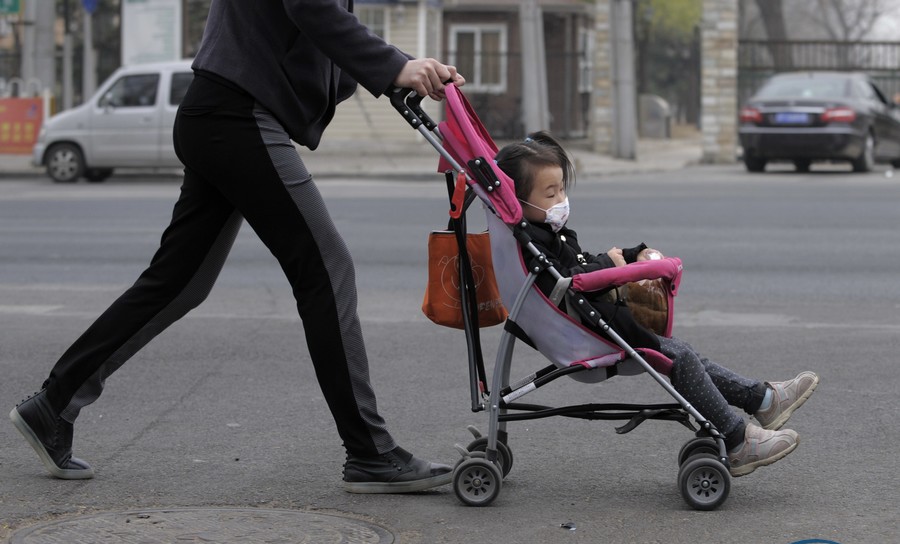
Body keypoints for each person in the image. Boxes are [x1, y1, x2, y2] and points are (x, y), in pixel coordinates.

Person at [9, 1, 465, 493]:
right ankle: (371, 453)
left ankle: (52, 406)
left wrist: (397, 66)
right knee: (326, 272)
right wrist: (395, 65)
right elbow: (311, 8)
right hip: (240, 117)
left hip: (218, 113)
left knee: (179, 284)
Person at [494, 131, 818, 476]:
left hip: (597, 324)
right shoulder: (535, 241)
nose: (561, 198)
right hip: (590, 335)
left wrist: (631, 255)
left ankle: (762, 400)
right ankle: (738, 440)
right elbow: (570, 278)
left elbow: (579, 264)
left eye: (562, 188)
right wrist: (614, 267)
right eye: (551, 193)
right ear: (519, 201)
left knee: (682, 353)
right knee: (679, 358)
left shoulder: (547, 233)